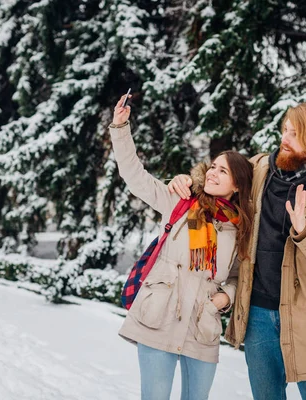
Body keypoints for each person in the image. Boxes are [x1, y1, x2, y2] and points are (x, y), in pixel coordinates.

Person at [168, 101, 306, 400]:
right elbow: (218, 180)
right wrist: (190, 181)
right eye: (285, 129)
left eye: (294, 134)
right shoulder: (258, 170)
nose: (284, 138)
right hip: (257, 314)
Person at [108, 92, 254, 400]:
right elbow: (135, 176)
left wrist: (222, 300)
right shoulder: (180, 200)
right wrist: (121, 129)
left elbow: (238, 278)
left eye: (223, 171)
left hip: (202, 327)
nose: (213, 173)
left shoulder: (239, 228)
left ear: (238, 185)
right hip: (158, 317)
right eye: (213, 166)